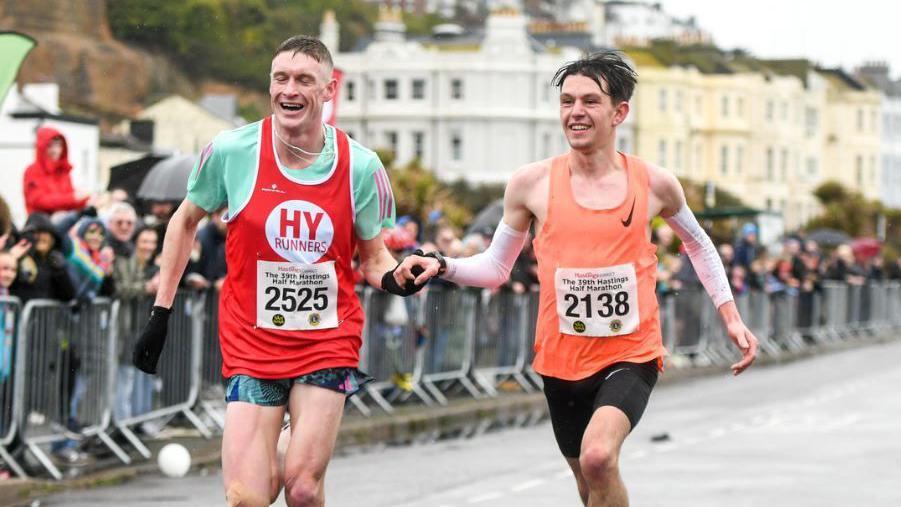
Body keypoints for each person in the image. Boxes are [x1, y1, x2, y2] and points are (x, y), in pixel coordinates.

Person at [396, 51, 758, 507]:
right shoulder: (530, 185)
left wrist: (731, 316)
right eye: (567, 101)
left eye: (589, 101)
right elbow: (496, 268)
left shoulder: (656, 184)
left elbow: (700, 245)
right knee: (590, 487)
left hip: (631, 351)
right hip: (561, 359)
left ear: (619, 112)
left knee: (598, 458)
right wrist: (442, 265)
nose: (576, 112)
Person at [131, 35, 424, 507]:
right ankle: (286, 439)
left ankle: (293, 444)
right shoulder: (232, 151)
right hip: (251, 340)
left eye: (304, 79)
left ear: (329, 90)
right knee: (248, 496)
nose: (289, 89)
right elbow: (183, 223)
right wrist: (160, 314)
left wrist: (398, 278)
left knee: (303, 490)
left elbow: (373, 259)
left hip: (327, 339)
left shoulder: (361, 167)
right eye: (280, 78)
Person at [23, 127, 90, 216]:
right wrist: (73, 198)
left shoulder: (63, 171)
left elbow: (71, 202)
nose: (55, 150)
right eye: (50, 145)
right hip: (42, 223)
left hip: (65, 221)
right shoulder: (32, 171)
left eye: (58, 145)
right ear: (41, 147)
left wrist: (85, 199)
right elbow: (39, 201)